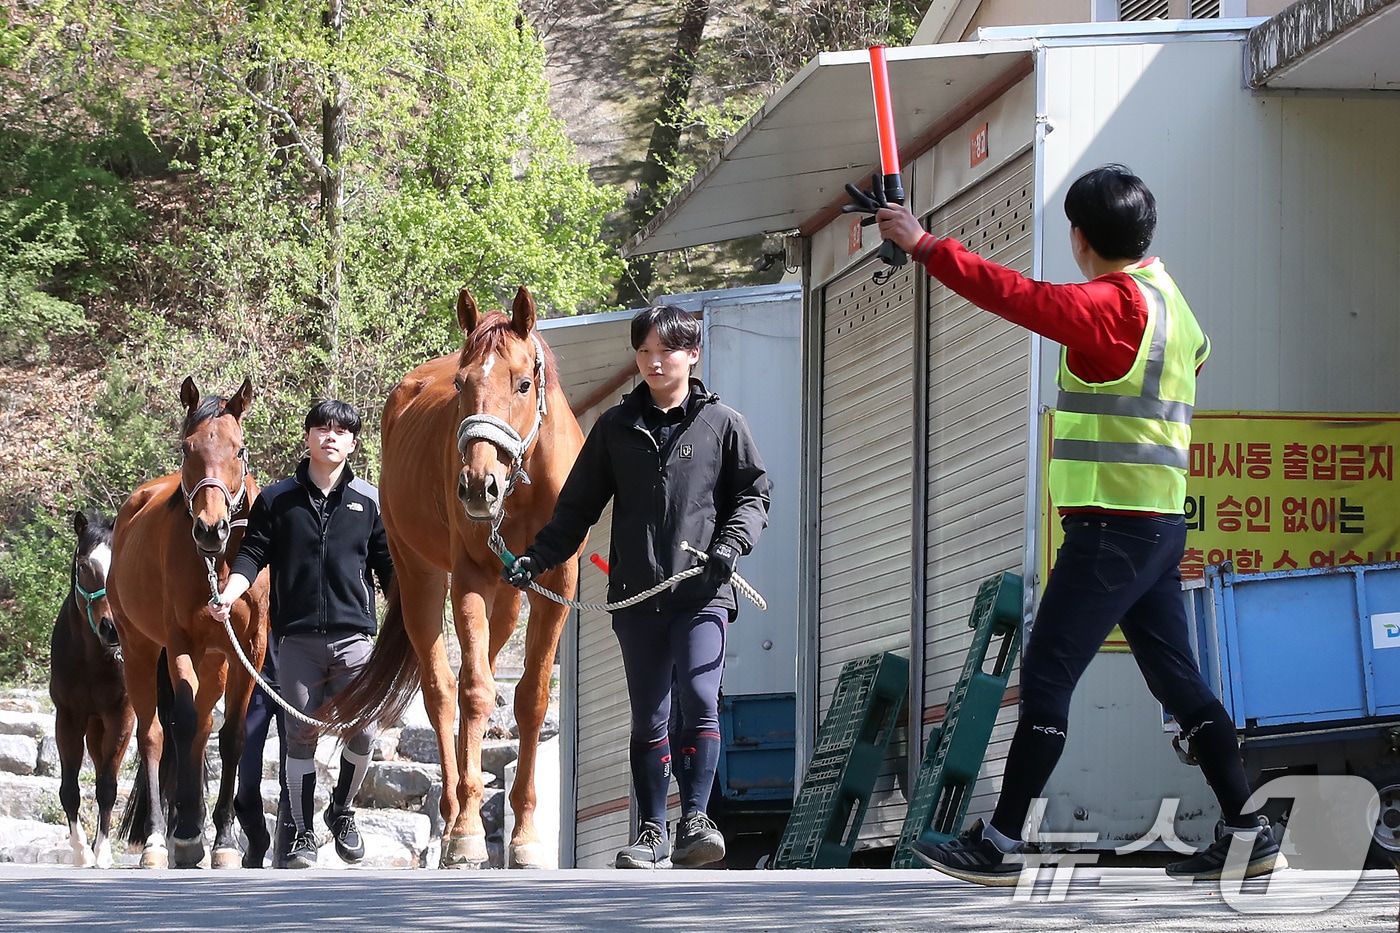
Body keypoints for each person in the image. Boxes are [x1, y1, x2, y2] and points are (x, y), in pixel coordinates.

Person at [861, 164, 1283, 884]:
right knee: (1177, 680)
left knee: (1049, 672)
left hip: (1109, 529)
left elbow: (1016, 296)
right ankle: (1248, 824)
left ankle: (999, 843)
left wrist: (926, 243)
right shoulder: (1170, 302)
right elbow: (1198, 359)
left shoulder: (1109, 309)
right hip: (1155, 524)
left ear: (1080, 238)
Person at [501, 304, 771, 869]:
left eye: (664, 352)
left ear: (691, 355)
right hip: (637, 598)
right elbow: (574, 511)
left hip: (702, 592)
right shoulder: (615, 429)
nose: (652, 362)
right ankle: (651, 832)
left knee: (699, 703)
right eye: (643, 352)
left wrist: (728, 548)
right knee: (649, 714)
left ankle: (695, 821)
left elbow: (753, 496)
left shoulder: (723, 424)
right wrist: (535, 559)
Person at [212, 399, 394, 870]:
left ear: (353, 443)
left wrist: (414, 610)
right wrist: (229, 594)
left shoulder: (370, 502)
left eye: (341, 431)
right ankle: (302, 835)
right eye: (322, 429)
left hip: (355, 640)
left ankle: (342, 809)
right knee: (300, 738)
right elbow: (250, 556)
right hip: (295, 643)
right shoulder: (276, 500)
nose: (331, 437)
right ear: (308, 438)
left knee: (366, 731)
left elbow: (388, 568)